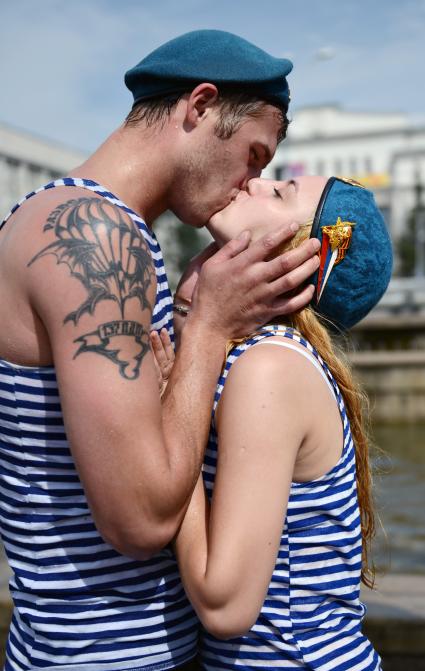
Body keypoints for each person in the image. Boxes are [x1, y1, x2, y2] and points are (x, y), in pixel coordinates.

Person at [0, 31, 321, 671]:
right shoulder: (97, 237)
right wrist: (208, 330)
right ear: (200, 106)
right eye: (254, 156)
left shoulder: (54, 217)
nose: (249, 184)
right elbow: (140, 520)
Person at [153, 176, 392, 670]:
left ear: (297, 258)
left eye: (281, 193)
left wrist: (171, 412)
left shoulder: (269, 369)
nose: (257, 183)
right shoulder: (262, 356)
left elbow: (225, 607)